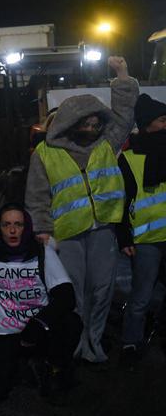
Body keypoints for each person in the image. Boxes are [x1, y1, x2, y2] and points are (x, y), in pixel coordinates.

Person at [26, 56, 138, 365]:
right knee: (72, 294)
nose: (91, 128)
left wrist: (122, 75)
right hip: (67, 235)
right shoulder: (45, 154)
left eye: (95, 123)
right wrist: (43, 231)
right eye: (84, 124)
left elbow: (124, 116)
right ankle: (72, 344)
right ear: (69, 122)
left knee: (103, 290)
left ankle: (93, 344)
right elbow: (36, 196)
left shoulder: (105, 144)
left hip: (103, 229)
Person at [0, 204, 80, 403]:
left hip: (37, 330)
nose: (12, 230)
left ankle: (53, 367)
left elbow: (66, 296)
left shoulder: (43, 254)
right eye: (6, 224)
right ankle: (20, 365)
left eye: (18, 224)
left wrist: (38, 323)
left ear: (26, 227)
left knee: (71, 323)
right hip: (2, 331)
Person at [115, 93, 166, 369]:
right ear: (146, 124)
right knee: (141, 296)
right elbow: (120, 202)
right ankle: (131, 342)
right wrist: (124, 236)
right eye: (162, 120)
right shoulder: (130, 158)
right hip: (146, 238)